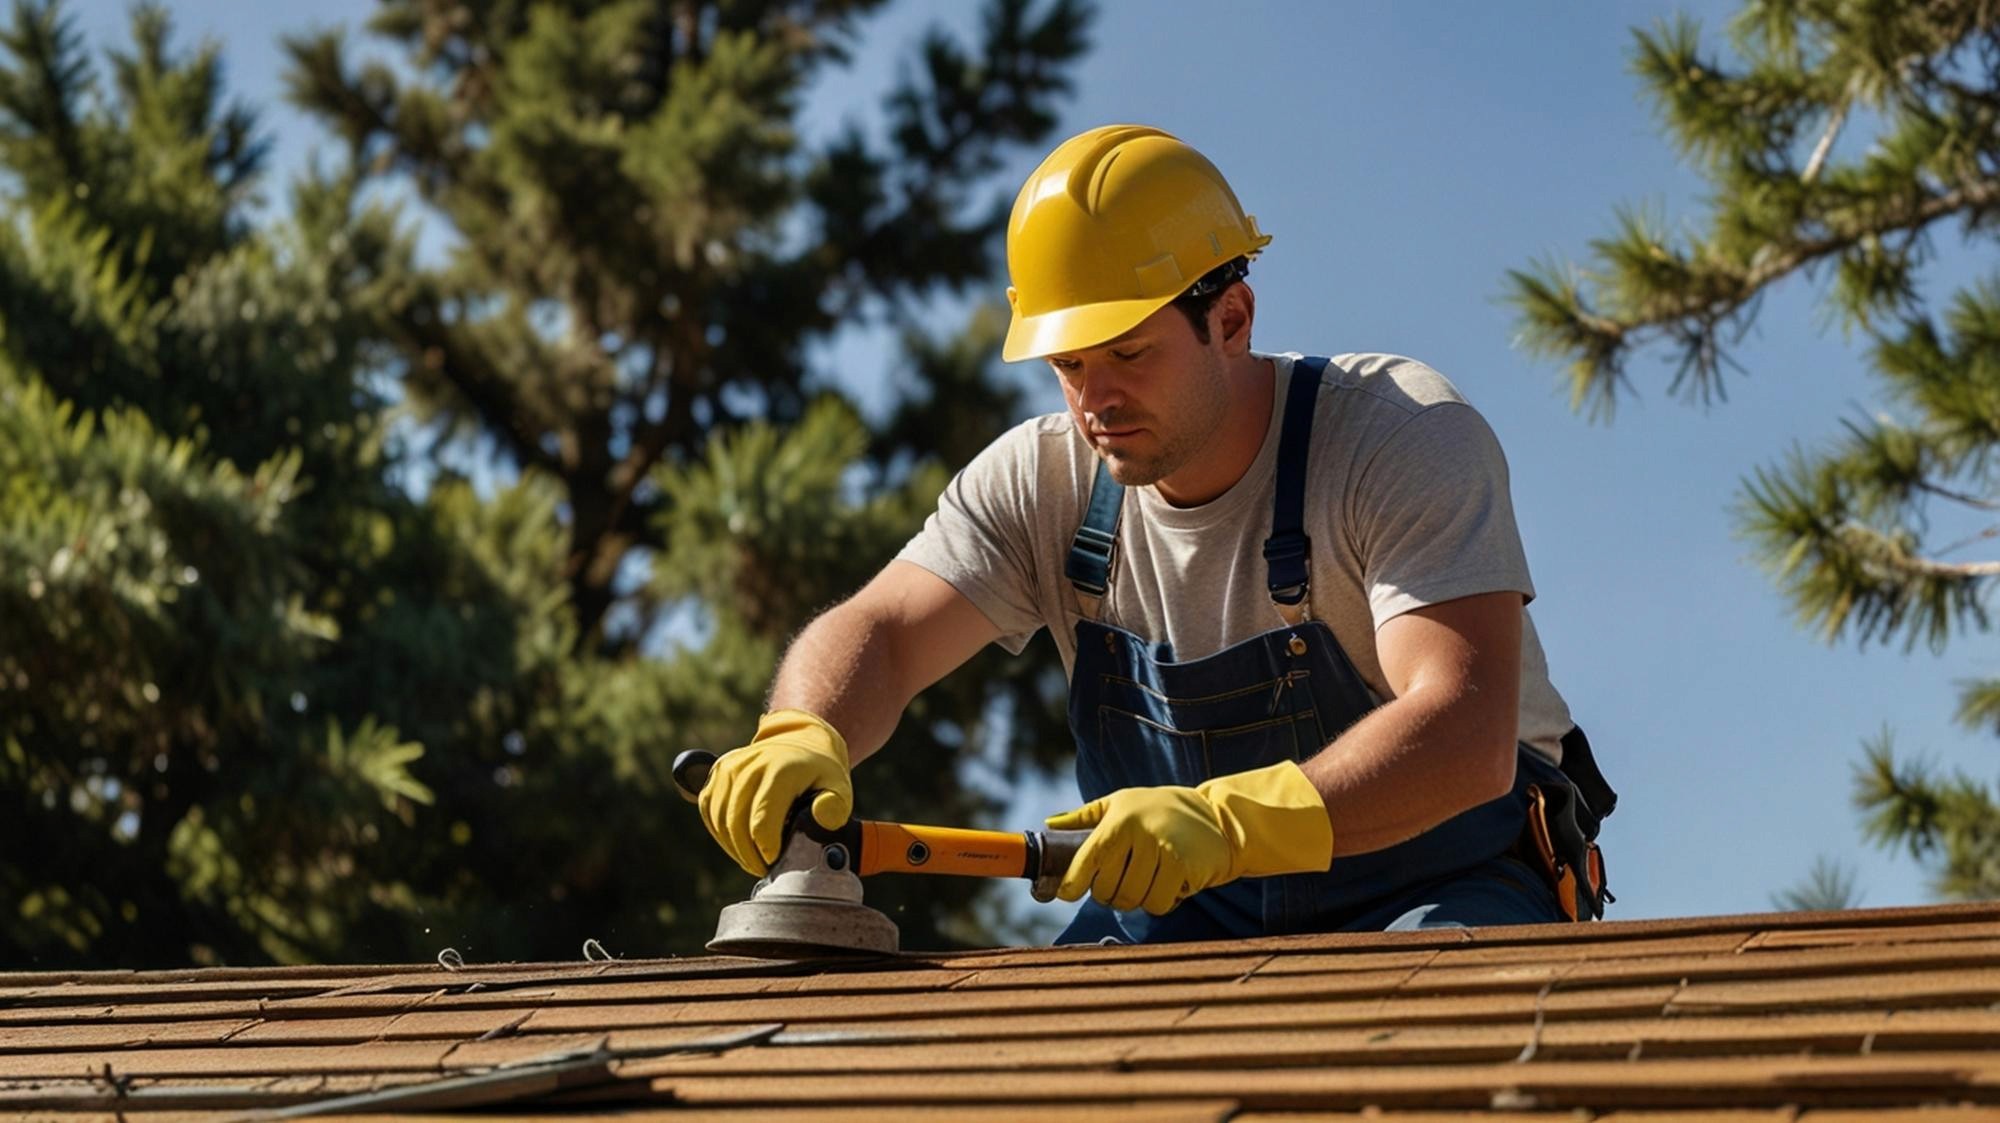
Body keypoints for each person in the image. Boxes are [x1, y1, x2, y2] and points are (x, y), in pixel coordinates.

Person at [697, 124, 1615, 943]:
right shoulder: (1042, 481)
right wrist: (801, 728)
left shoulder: (1397, 434)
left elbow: (1462, 731)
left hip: (1445, 878)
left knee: (1434, 1040)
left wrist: (1225, 824)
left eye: (1130, 354)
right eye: (1069, 364)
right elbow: (886, 633)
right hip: (1184, 916)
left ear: (1232, 319)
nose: (1095, 400)